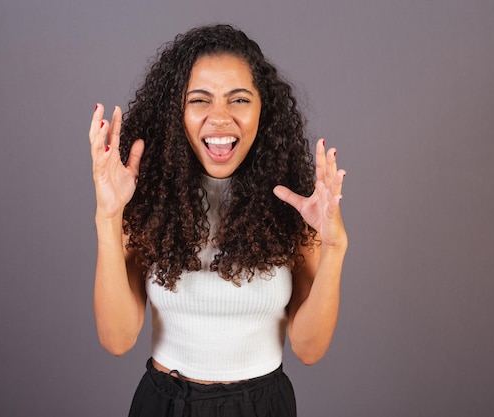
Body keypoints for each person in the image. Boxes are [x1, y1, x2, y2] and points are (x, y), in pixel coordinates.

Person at [89, 24, 347, 417]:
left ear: (265, 107)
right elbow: (118, 339)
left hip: (264, 406)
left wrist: (334, 248)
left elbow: (310, 350)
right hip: (165, 404)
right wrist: (108, 218)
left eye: (239, 99)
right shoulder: (147, 200)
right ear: (176, 110)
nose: (220, 118)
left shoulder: (297, 204)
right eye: (199, 100)